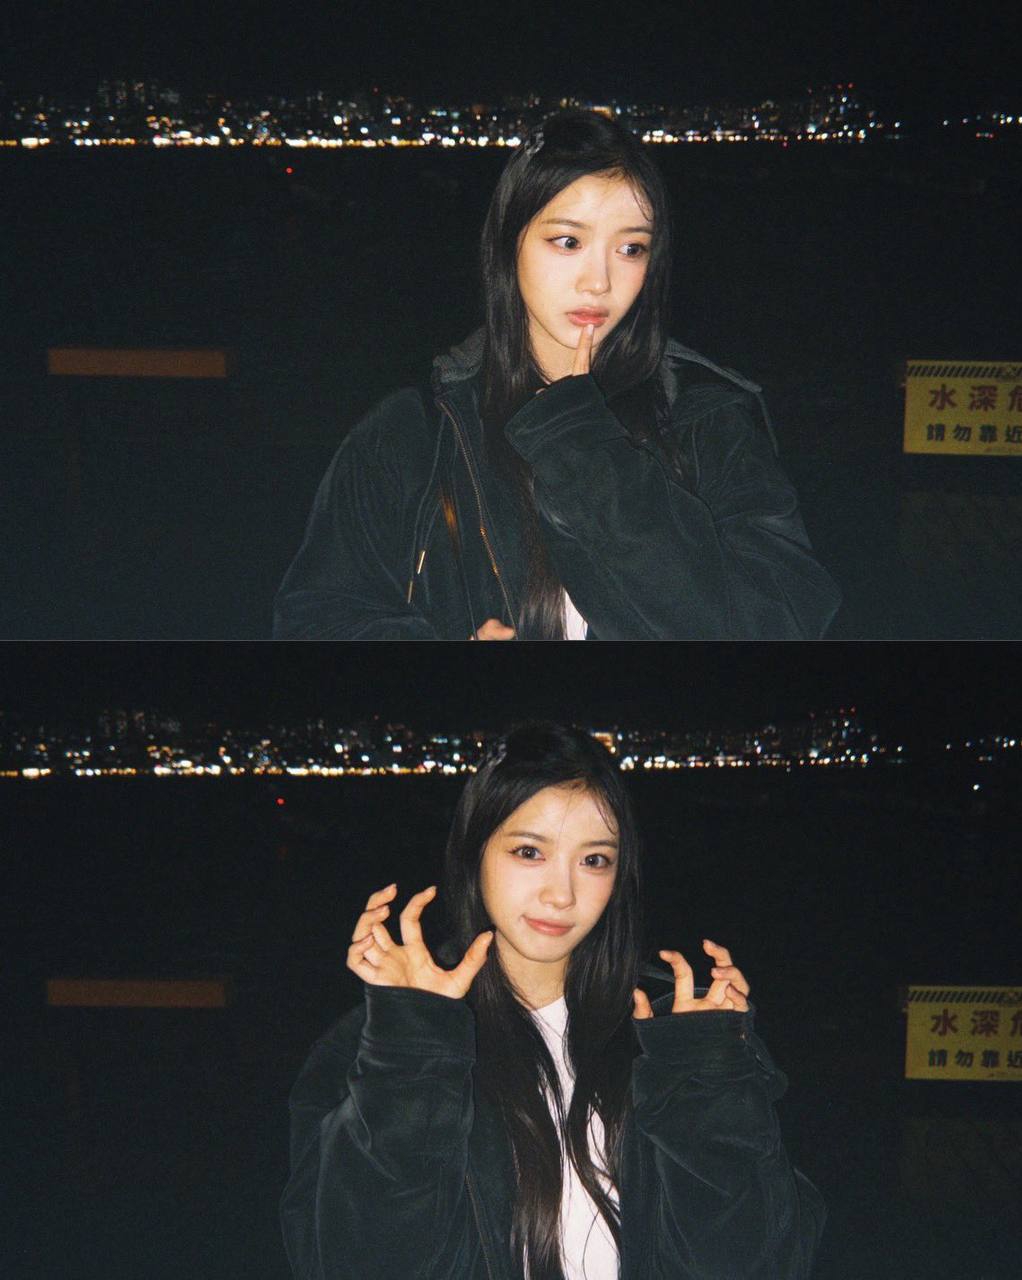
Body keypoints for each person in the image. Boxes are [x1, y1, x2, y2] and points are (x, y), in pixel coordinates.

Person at [280, 722, 826, 1278]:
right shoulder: (383, 1043)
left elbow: (761, 1263)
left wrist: (711, 1074)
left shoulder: (674, 1030)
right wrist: (412, 1045)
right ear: (474, 853)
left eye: (594, 860)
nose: (562, 894)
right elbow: (354, 1261)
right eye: (529, 851)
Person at [272, 111, 840, 639]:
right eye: (568, 241)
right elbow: (319, 617)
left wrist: (583, 439)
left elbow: (775, 623)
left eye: (631, 248)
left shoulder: (706, 416)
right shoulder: (420, 427)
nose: (599, 281)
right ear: (509, 243)